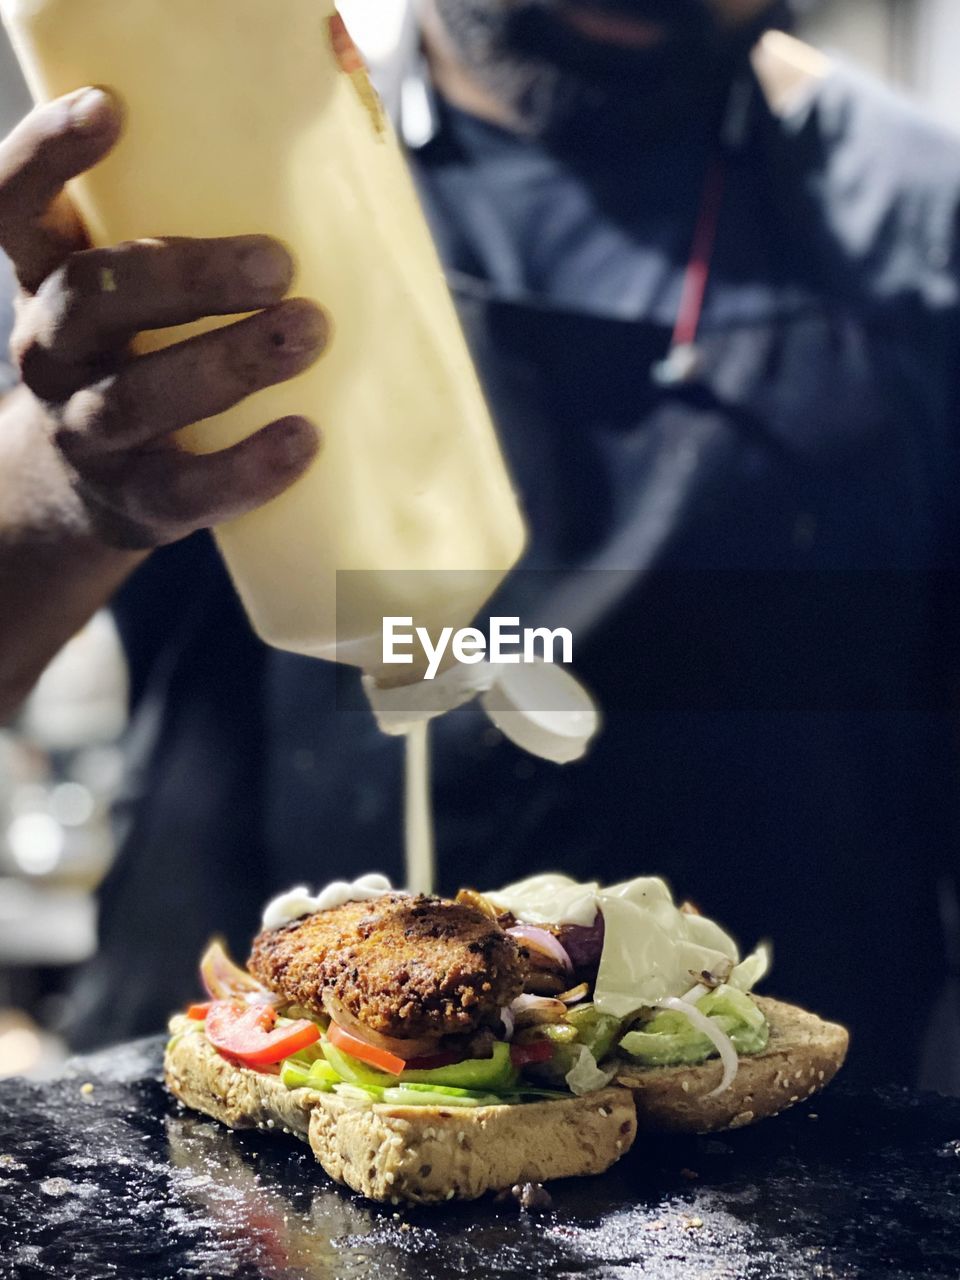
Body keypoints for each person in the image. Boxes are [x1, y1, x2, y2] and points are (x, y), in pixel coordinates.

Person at [1, 0, 959, 1086]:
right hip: (208, 1169)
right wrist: (67, 489)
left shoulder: (926, 228)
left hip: (792, 1198)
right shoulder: (188, 174)